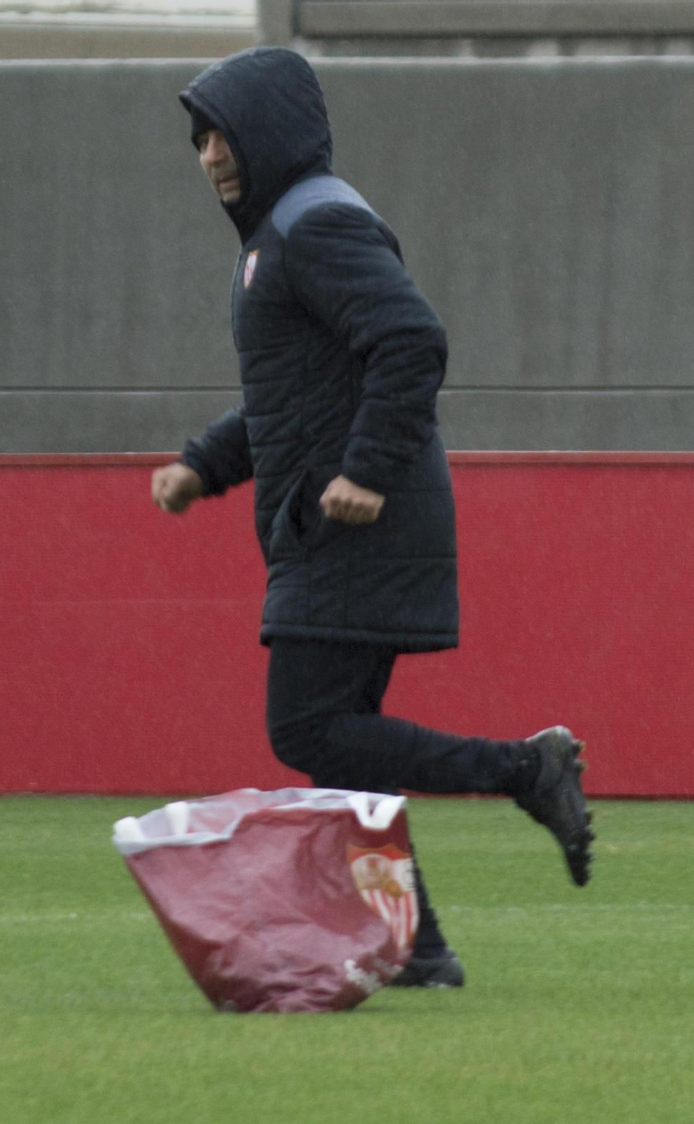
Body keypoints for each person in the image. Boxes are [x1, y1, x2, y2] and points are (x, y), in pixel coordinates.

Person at [150, 46, 594, 989]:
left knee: (309, 727)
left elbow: (411, 340)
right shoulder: (279, 237)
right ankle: (419, 947)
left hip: (361, 522)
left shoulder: (315, 226)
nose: (208, 157)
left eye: (221, 134)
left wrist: (366, 470)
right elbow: (293, 398)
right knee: (345, 740)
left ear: (269, 131)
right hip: (342, 520)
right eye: (197, 141)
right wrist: (205, 465)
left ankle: (527, 770)